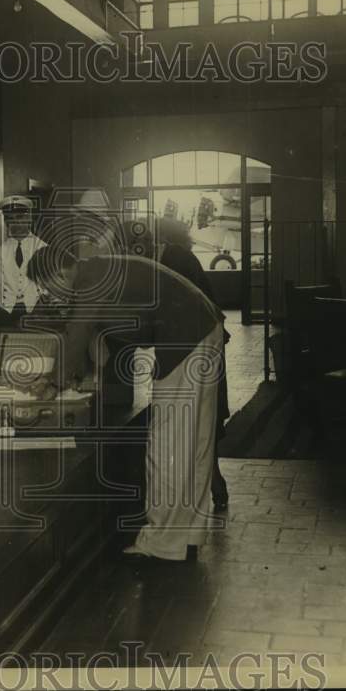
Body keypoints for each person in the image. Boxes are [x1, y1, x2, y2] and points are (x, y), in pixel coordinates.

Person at [30, 246, 224, 562]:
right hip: (203, 327)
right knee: (194, 442)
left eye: (46, 286)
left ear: (60, 274)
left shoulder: (89, 279)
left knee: (167, 445)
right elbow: (100, 342)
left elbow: (77, 332)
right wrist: (78, 374)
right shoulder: (99, 269)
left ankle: (161, 543)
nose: (48, 295)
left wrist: (53, 383)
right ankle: (186, 534)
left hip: (184, 337)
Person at [124, 218, 232, 510]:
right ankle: (213, 485)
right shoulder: (169, 258)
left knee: (200, 420)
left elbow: (179, 312)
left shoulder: (176, 260)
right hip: (196, 345)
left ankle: (211, 486)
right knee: (201, 420)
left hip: (198, 347)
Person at [0, 194, 47, 321]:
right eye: (10, 219)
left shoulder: (42, 248)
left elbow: (49, 283)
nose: (15, 223)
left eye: (20, 217)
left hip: (37, 311)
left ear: (29, 218)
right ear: (6, 222)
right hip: (6, 312)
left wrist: (32, 300)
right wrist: (10, 300)